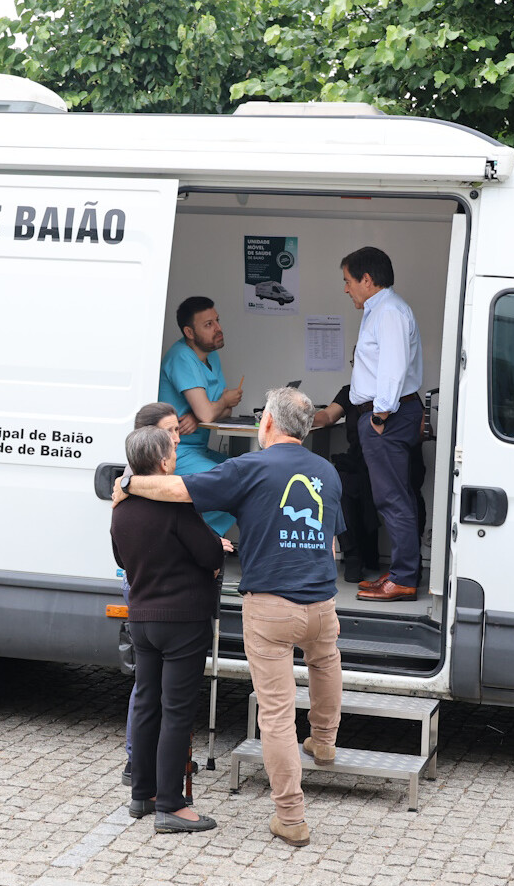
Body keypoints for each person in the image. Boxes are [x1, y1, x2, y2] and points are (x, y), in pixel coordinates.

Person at [114, 388, 343, 847]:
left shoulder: (250, 467)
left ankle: (291, 817)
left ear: (268, 423)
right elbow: (333, 539)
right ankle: (323, 739)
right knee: (325, 662)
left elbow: (179, 490)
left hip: (270, 606)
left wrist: (127, 484)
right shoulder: (328, 471)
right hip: (322, 601)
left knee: (275, 715)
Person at [110, 425, 224, 834]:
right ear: (162, 463)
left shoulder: (120, 508)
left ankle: (142, 794)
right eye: (172, 452)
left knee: (146, 704)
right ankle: (172, 804)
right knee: (176, 711)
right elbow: (210, 553)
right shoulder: (176, 508)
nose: (176, 456)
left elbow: (120, 558)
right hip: (182, 620)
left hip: (142, 618)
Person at [342, 247, 425, 601]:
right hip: (386, 415)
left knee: (393, 498)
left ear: (367, 279)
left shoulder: (388, 311)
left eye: (348, 281)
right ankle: (401, 572)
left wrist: (379, 416)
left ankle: (403, 578)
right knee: (395, 496)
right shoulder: (380, 309)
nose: (346, 288)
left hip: (387, 416)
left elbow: (392, 368)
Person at [158, 296, 243, 536]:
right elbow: (213, 409)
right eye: (208, 324)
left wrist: (201, 415)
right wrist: (216, 406)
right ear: (189, 332)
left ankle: (199, 539)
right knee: (234, 485)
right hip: (176, 452)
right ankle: (193, 538)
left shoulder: (211, 355)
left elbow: (222, 412)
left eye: (217, 321)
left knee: (248, 476)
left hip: (198, 449)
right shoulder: (181, 357)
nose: (218, 328)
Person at [312, 386, 380, 584]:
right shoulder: (351, 391)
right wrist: (294, 417)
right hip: (357, 458)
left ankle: (364, 554)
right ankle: (352, 555)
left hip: (386, 457)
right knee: (341, 483)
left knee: (363, 482)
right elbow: (327, 417)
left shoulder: (397, 389)